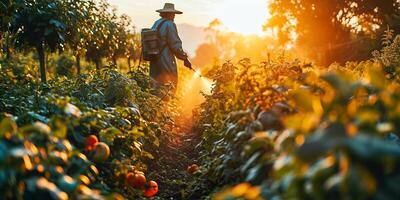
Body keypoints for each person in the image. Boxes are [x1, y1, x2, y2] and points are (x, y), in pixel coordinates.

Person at [150, 3, 192, 92]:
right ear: (168, 14)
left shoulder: (157, 23)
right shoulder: (170, 24)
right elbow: (175, 44)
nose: (174, 16)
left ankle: (155, 105)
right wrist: (185, 58)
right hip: (165, 59)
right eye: (172, 14)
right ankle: (168, 104)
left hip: (154, 58)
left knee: (155, 85)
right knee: (169, 83)